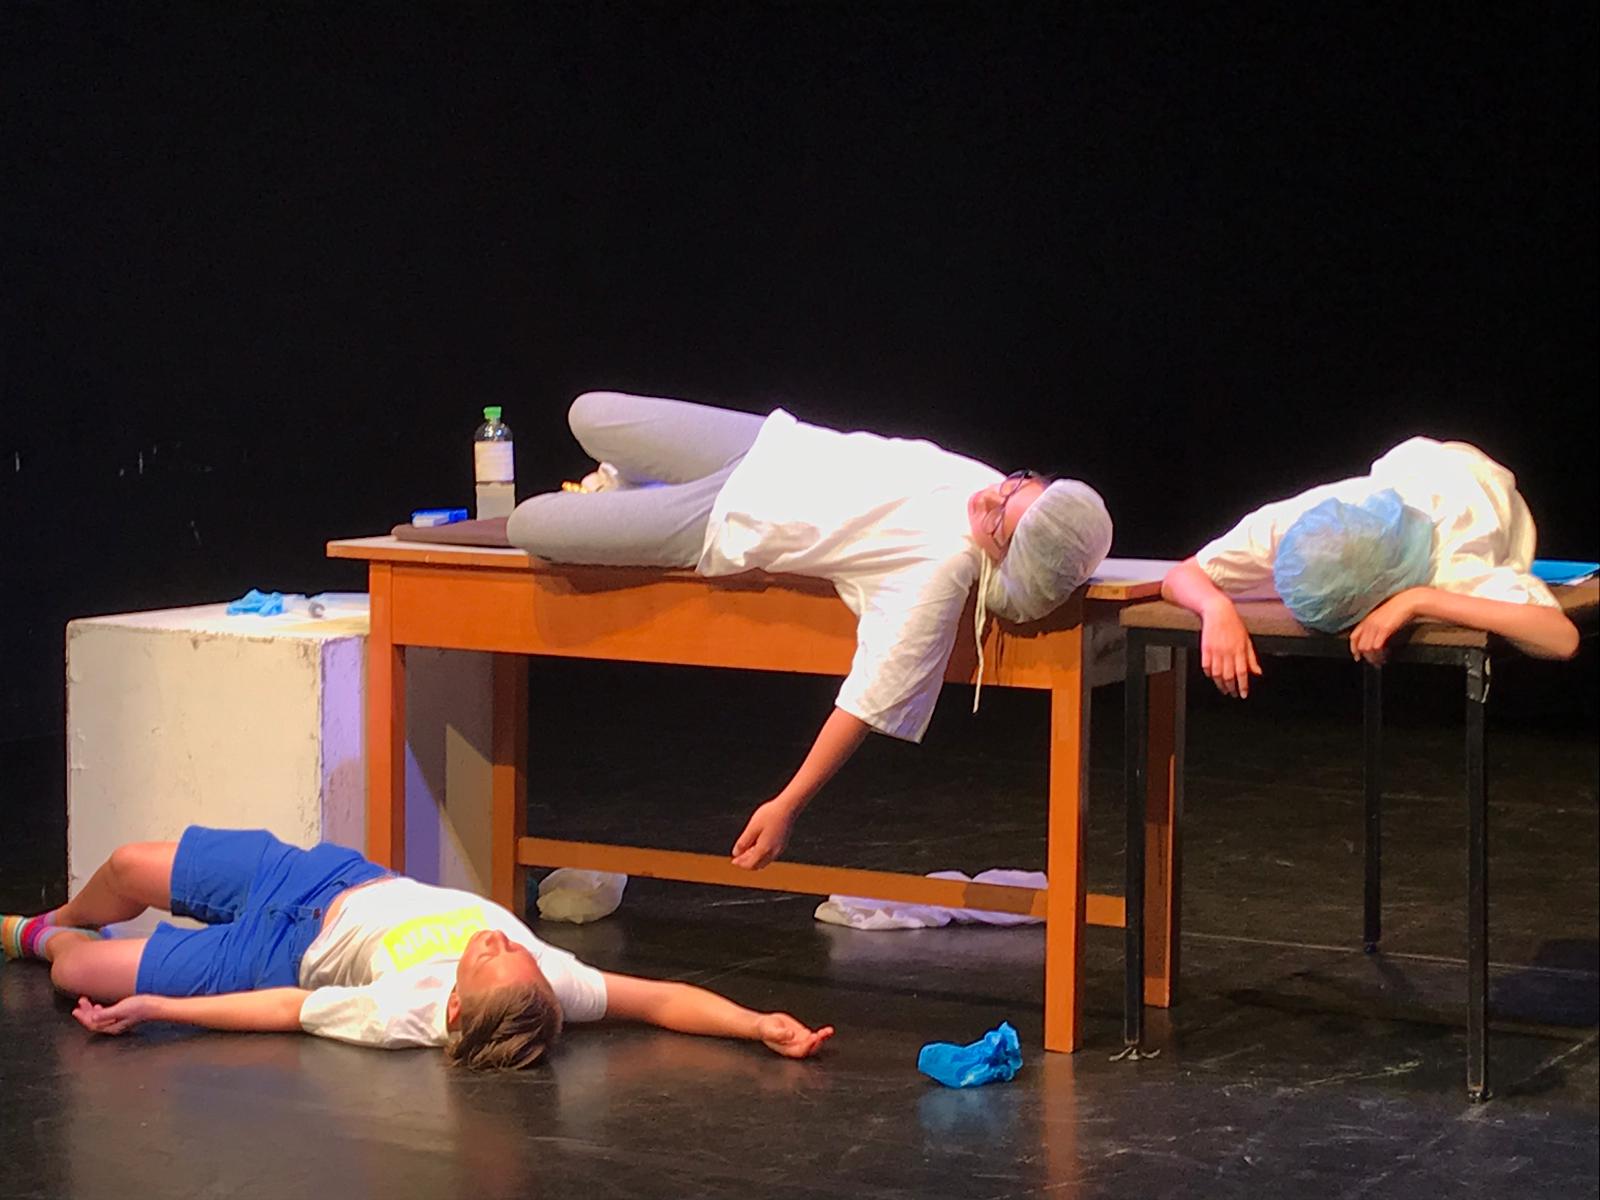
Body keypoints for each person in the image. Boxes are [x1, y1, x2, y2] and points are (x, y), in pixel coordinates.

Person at [505, 391, 1115, 869]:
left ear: (1006, 559)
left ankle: (621, 501)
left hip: (725, 518)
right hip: (763, 446)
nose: (989, 497)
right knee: (588, 413)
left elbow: (868, 698)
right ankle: (622, 496)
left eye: (1001, 520)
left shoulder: (939, 573)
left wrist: (787, 805)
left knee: (528, 525)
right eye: (1015, 485)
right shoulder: (985, 482)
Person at [1, 826, 833, 1068]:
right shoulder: (556, 987)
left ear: (457, 1004)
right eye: (513, 947)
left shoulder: (405, 1015)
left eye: (489, 957)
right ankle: (65, 911)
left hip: (274, 956)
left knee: (79, 968)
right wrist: (755, 1023)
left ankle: (36, 934)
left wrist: (159, 1006)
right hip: (322, 878)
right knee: (128, 866)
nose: (493, 938)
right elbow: (661, 1001)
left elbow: (288, 1008)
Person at [1161, 436, 1580, 698]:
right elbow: (1181, 576)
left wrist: (1419, 601)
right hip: (1412, 464)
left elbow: (1561, 638)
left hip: (1482, 481)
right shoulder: (1305, 523)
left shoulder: (1457, 564)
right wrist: (1215, 608)